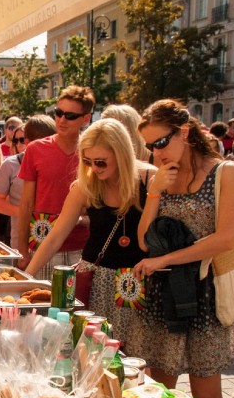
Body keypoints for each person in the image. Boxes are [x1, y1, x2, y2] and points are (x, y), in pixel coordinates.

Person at [131, 99, 234, 398]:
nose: (156, 153)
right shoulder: (162, 176)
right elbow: (143, 241)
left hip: (205, 295)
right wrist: (154, 192)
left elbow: (225, 238)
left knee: (206, 395)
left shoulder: (225, 171)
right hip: (163, 295)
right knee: (159, 391)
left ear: (184, 132)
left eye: (161, 142)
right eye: (150, 146)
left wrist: (164, 258)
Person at [26, 119, 149, 344]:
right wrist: (27, 276)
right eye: (87, 161)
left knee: (135, 351)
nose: (94, 168)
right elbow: (56, 236)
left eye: (101, 162)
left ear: (121, 154)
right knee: (91, 348)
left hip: (138, 280)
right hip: (95, 278)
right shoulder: (86, 185)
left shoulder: (149, 179)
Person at [18, 85, 94, 279]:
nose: (61, 120)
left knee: (75, 308)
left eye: (70, 116)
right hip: (41, 245)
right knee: (39, 305)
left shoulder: (93, 153)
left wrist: (84, 219)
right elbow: (26, 204)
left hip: (81, 247)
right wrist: (21, 250)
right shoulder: (35, 149)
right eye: (58, 113)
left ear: (86, 118)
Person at [0, 116, 56, 253]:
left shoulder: (59, 162)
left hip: (55, 241)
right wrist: (24, 213)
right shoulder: (10, 164)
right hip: (22, 242)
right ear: (29, 142)